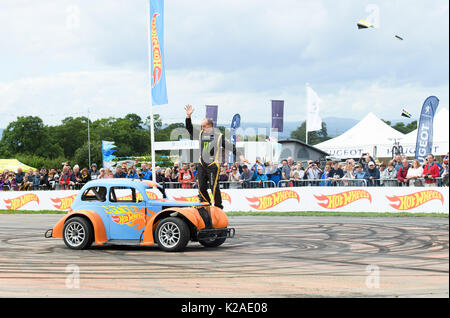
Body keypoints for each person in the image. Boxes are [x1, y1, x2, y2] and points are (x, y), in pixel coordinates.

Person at [184, 104, 237, 210]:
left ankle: (218, 207)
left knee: (214, 187)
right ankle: (205, 205)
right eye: (201, 126)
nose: (202, 129)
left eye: (204, 126)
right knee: (201, 187)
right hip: (202, 164)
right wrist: (188, 117)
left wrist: (239, 155)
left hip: (213, 165)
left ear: (210, 126)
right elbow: (189, 128)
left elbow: (230, 146)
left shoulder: (218, 137)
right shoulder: (200, 134)